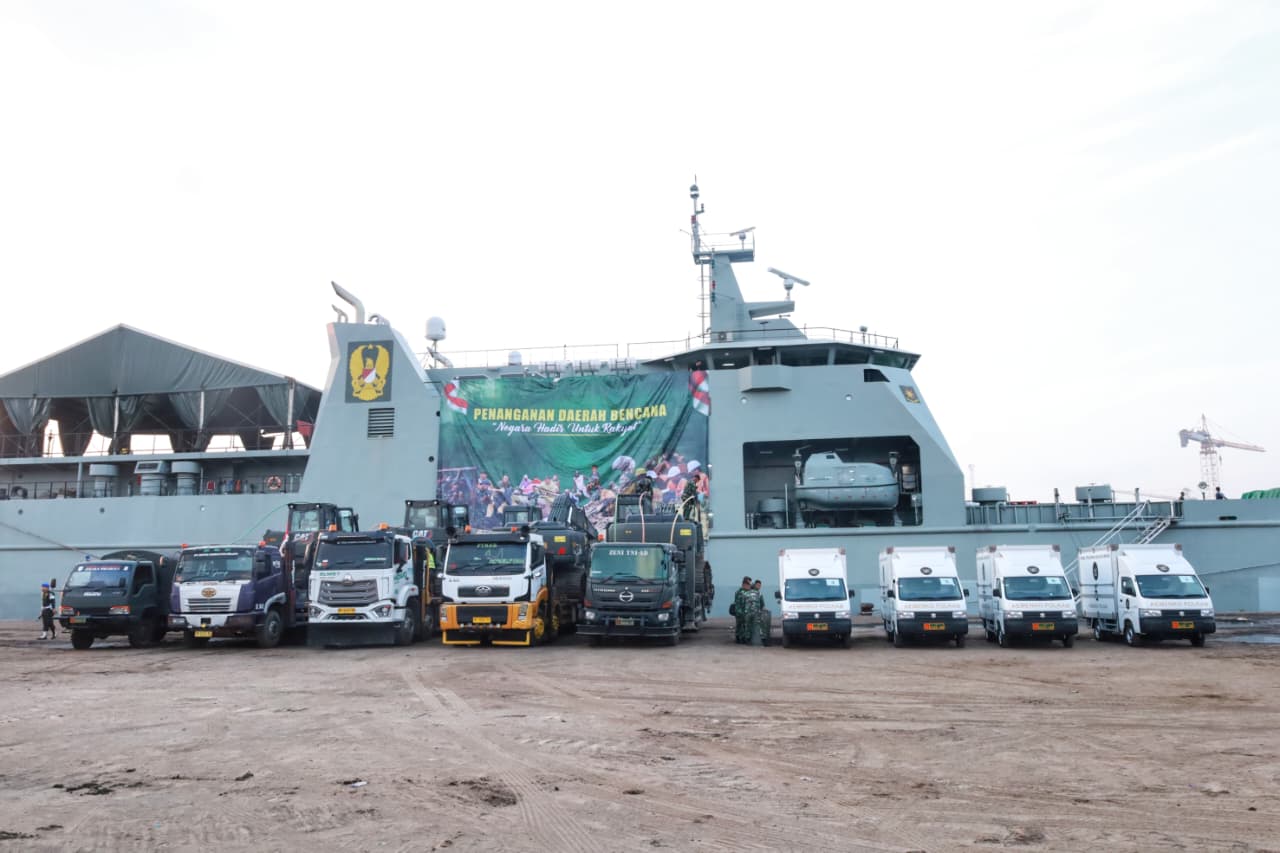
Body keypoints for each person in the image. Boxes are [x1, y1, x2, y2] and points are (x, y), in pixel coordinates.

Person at [732, 576, 752, 644]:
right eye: (749, 584)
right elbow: (738, 604)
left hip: (746, 612)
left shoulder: (748, 592)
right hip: (740, 612)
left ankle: (744, 638)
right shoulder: (739, 592)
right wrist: (740, 612)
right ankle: (739, 638)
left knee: (745, 626)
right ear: (744, 584)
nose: (750, 585)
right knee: (740, 625)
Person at [752, 579, 771, 646]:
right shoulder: (754, 593)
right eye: (758, 585)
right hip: (754, 613)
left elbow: (762, 604)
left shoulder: (759, 593)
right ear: (755, 585)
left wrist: (765, 609)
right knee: (761, 626)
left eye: (760, 585)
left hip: (756, 613)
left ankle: (761, 640)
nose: (759, 586)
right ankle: (763, 640)